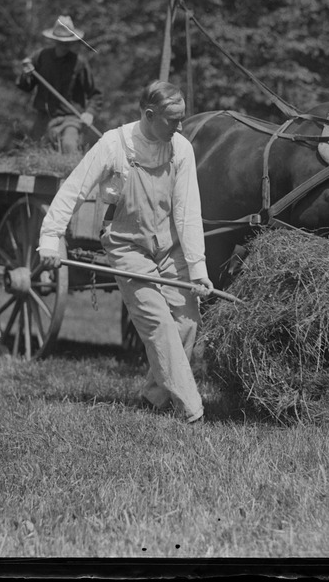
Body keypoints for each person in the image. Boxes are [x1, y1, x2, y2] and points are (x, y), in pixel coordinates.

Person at [37, 80, 213, 423]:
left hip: (168, 245)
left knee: (188, 322)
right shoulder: (113, 145)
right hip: (127, 245)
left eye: (182, 118)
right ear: (149, 115)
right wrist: (49, 239)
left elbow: (187, 211)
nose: (180, 126)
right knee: (159, 324)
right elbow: (72, 191)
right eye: (173, 119)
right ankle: (192, 409)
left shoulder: (181, 148)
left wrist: (197, 269)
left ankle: (154, 398)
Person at [16, 14, 101, 153]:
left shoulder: (79, 62)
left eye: (67, 42)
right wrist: (26, 74)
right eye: (60, 42)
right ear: (54, 40)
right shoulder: (41, 56)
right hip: (44, 118)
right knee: (32, 153)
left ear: (72, 42)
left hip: (70, 119)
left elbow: (95, 94)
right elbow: (25, 86)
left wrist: (90, 113)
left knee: (69, 146)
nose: (64, 46)